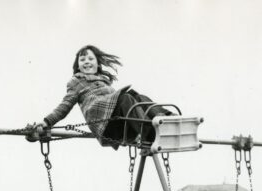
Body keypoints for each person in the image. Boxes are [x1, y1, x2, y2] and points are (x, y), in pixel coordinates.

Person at [30, 44, 174, 148]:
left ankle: (168, 119)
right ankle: (150, 135)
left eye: (90, 59)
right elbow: (64, 106)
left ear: (98, 64)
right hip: (103, 124)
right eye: (83, 60)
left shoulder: (105, 83)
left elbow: (124, 107)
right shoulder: (76, 81)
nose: (87, 62)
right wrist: (47, 121)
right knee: (126, 97)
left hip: (118, 125)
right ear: (78, 65)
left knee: (139, 97)